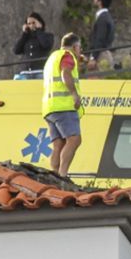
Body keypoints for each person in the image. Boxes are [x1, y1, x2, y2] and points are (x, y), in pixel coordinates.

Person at [41, 33, 84, 177]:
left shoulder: (52, 58)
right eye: (79, 48)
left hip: (49, 108)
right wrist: (74, 94)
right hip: (64, 106)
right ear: (75, 46)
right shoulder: (67, 56)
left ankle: (54, 174)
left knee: (58, 144)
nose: (80, 52)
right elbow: (66, 73)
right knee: (74, 139)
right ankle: (63, 174)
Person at [87, 0, 115, 72]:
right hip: (103, 53)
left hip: (101, 55)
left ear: (100, 1)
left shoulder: (102, 18)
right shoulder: (107, 16)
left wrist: (93, 57)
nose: (94, 0)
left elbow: (100, 38)